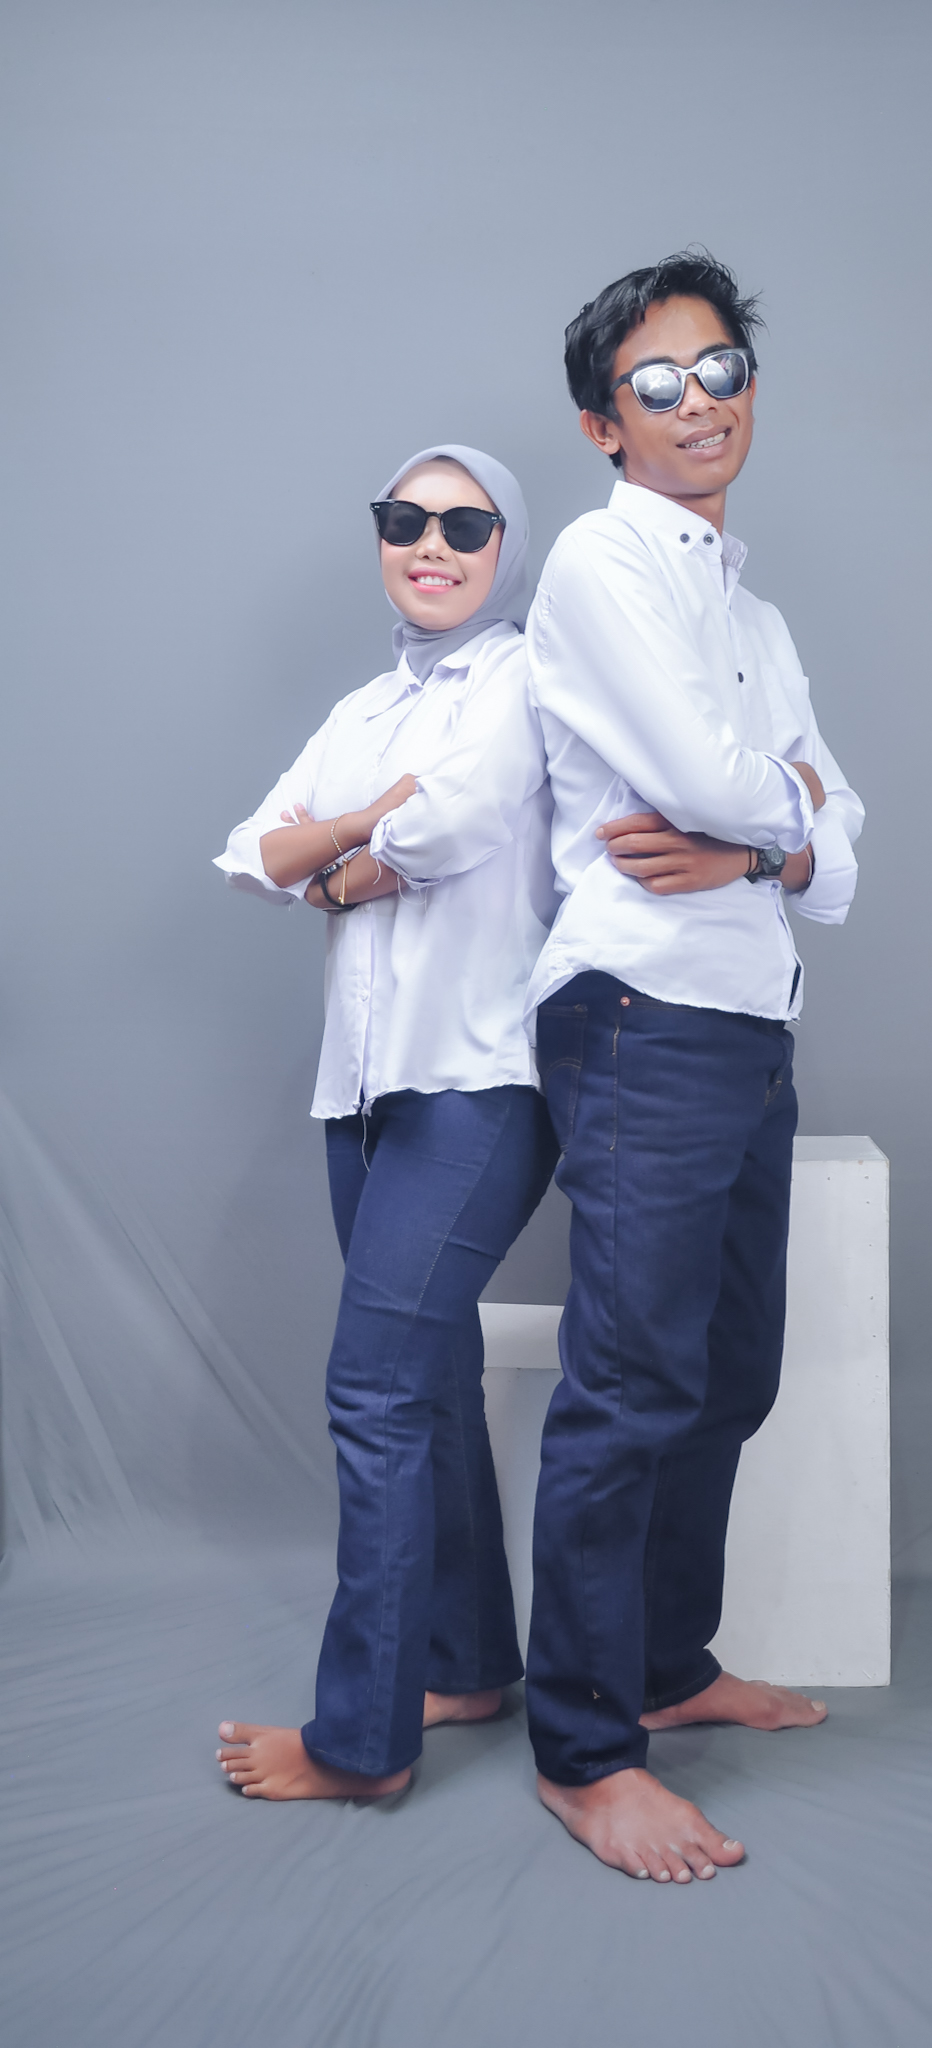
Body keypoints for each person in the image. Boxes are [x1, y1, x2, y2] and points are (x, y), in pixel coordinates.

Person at [524, 253, 865, 1880]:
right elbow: (712, 776)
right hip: (638, 1014)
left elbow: (836, 841)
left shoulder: (754, 609)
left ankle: (665, 1665)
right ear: (606, 424)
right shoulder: (600, 561)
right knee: (630, 1384)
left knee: (727, 1375)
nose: (696, 401)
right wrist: (784, 820)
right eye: (654, 384)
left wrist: (764, 844)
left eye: (718, 368)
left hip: (744, 1014)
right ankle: (585, 1751)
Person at [210, 444, 560, 1799]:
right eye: (406, 520)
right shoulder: (362, 709)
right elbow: (253, 854)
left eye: (465, 526)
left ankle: (361, 1743)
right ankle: (464, 1662)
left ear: (503, 548)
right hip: (357, 1094)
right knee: (426, 1380)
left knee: (372, 1390)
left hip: (479, 1085)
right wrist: (356, 830)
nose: (432, 545)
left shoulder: (527, 677)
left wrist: (343, 861)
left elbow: (455, 828)